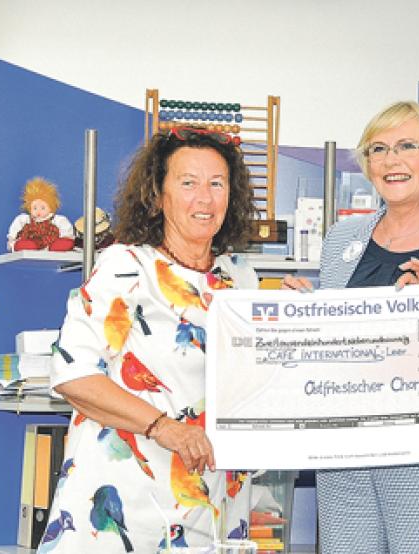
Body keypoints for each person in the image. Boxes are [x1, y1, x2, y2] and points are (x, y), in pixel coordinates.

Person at [282, 101, 419, 553]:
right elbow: (334, 344)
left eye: (407, 145)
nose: (391, 160)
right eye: (378, 149)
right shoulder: (341, 239)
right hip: (344, 459)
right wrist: (300, 319)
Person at [43, 127, 258, 552]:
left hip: (212, 505)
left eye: (217, 183)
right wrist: (166, 429)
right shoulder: (125, 266)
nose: (205, 197)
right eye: (188, 183)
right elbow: (73, 376)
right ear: (158, 196)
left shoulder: (241, 279)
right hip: (123, 502)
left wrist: (297, 320)